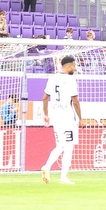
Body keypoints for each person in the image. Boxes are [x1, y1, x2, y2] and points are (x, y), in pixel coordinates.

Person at [41, 55, 82, 185]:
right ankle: (62, 176)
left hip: (56, 117)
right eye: (74, 65)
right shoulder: (70, 80)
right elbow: (75, 101)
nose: (75, 68)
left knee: (60, 144)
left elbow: (45, 98)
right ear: (68, 66)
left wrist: (46, 114)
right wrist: (81, 118)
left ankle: (48, 166)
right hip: (68, 117)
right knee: (68, 146)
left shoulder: (52, 78)